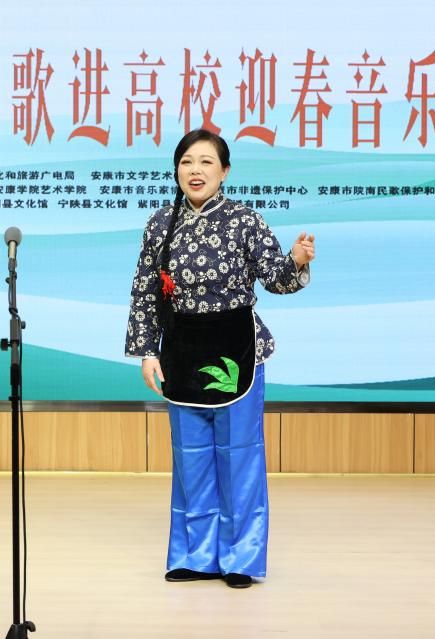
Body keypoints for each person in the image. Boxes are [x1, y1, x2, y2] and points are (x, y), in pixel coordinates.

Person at [125, 129, 314, 589]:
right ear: (176, 170)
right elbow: (145, 292)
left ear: (224, 171)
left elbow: (276, 279)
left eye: (206, 162)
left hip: (237, 351)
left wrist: (296, 261)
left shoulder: (246, 220)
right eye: (187, 161)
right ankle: (194, 555)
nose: (196, 170)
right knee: (190, 459)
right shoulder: (160, 224)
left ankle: (240, 558)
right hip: (181, 352)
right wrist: (147, 350)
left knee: (239, 457)